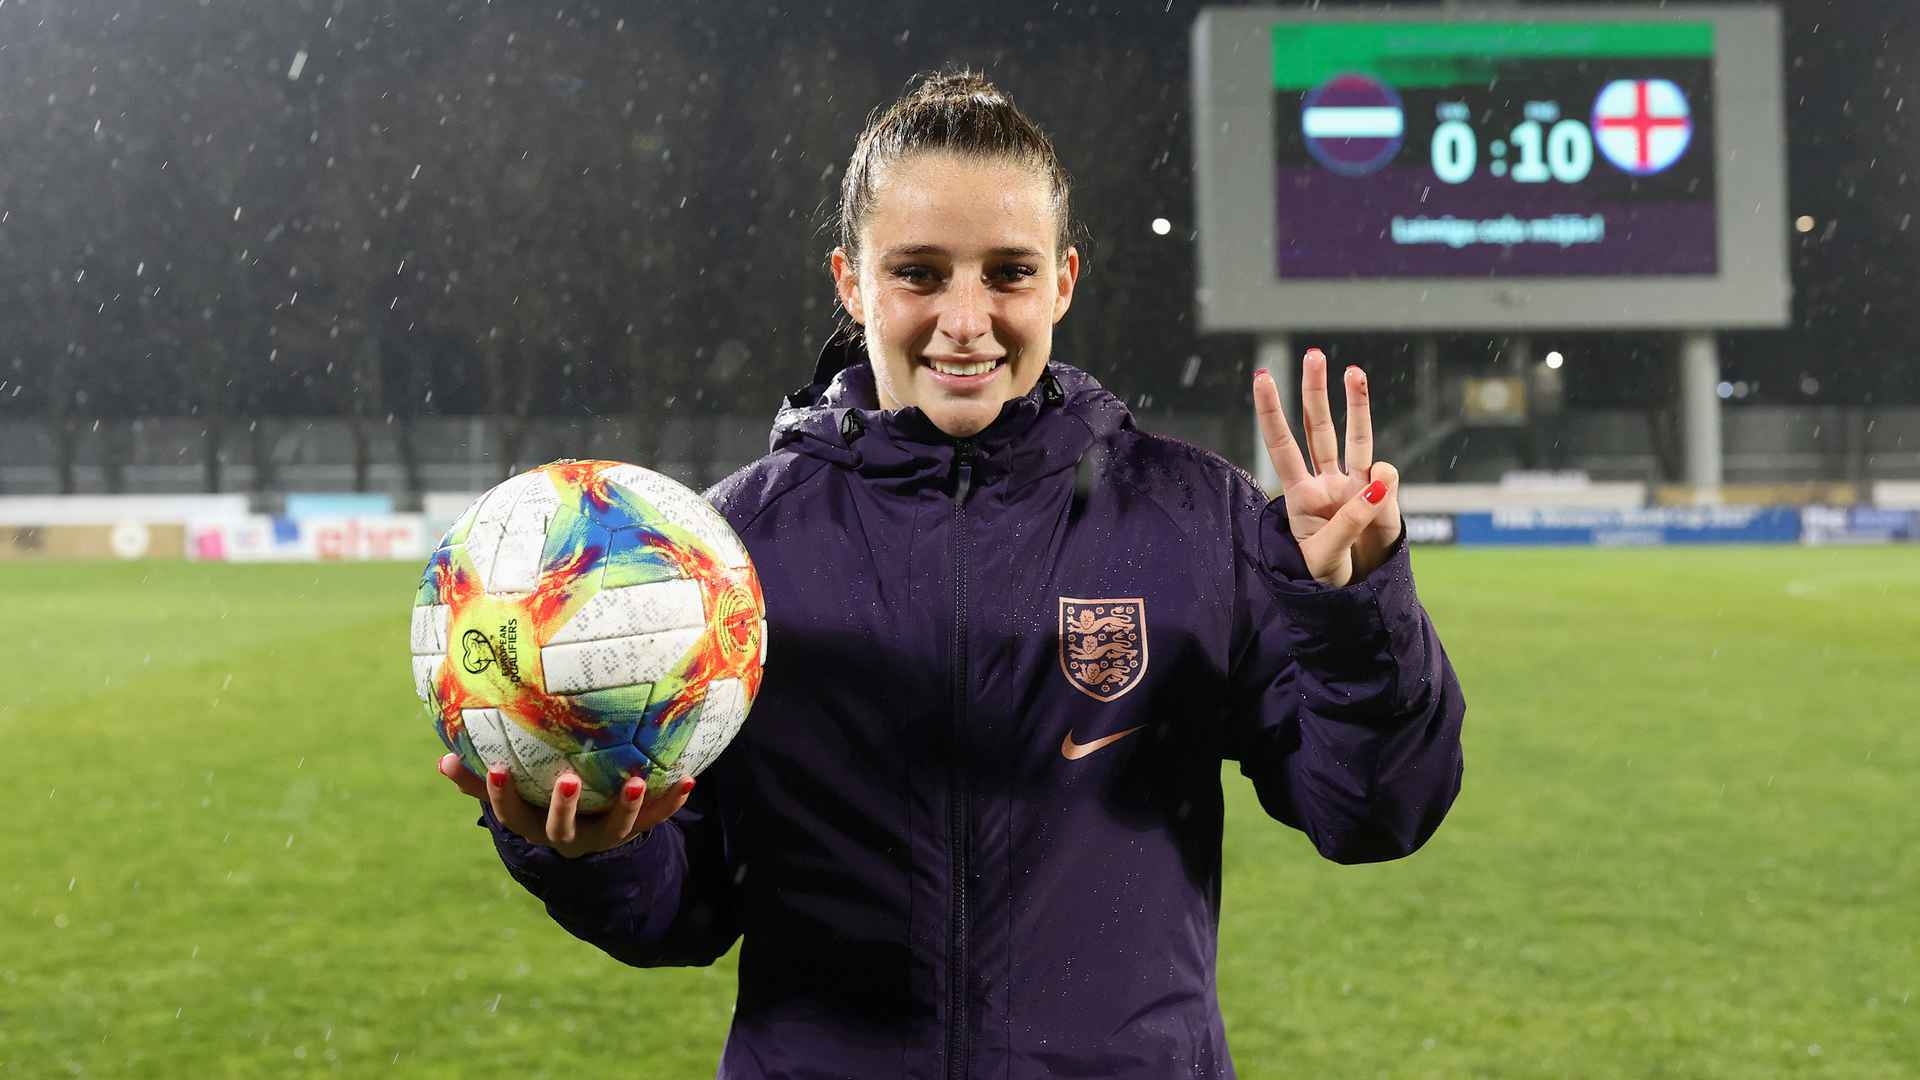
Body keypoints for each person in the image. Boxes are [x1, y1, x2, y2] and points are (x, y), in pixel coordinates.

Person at [438, 70, 1465, 1079]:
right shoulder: (728, 556)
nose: (966, 319)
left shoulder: (1192, 520)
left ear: (1063, 279)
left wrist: (1353, 609)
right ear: (851, 281)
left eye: (1008, 273)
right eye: (920, 273)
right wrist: (590, 848)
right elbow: (683, 911)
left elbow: (1372, 814)